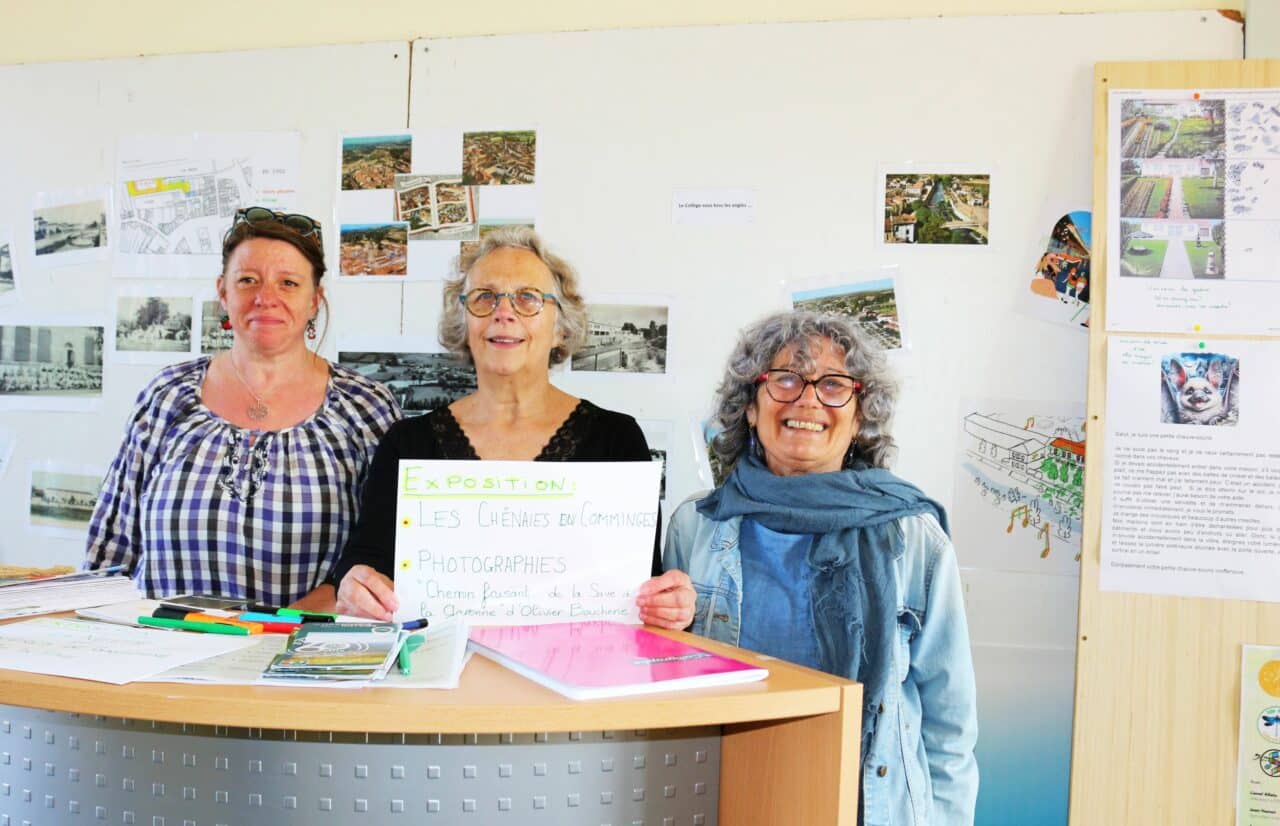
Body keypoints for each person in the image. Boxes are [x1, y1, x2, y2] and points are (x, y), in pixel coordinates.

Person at [664, 310, 978, 825]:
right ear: (750, 407)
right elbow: (668, 695)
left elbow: (950, 729)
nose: (808, 400)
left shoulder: (915, 539)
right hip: (733, 800)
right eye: (785, 379)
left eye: (833, 385)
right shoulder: (694, 527)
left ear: (859, 417)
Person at [334, 227, 693, 627]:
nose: (503, 312)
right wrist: (355, 588)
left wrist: (669, 606)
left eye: (527, 298)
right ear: (463, 321)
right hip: (437, 666)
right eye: (484, 297)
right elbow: (365, 564)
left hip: (574, 667)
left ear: (561, 327)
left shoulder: (617, 440)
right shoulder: (406, 443)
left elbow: (644, 586)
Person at [85, 207, 401, 608]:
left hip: (299, 644)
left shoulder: (366, 409)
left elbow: (383, 557)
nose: (266, 298)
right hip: (160, 643)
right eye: (248, 280)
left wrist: (282, 629)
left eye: (288, 283)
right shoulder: (167, 395)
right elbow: (110, 551)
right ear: (223, 292)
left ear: (314, 301)